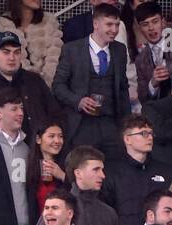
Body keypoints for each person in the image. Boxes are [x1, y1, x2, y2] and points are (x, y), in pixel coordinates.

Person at [52, 3, 130, 153]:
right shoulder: (72, 49)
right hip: (81, 124)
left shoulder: (120, 50)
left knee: (114, 167)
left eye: (117, 25)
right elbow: (58, 86)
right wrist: (78, 101)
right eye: (109, 24)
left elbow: (123, 90)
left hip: (111, 124)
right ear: (95, 24)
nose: (114, 30)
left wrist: (126, 124)